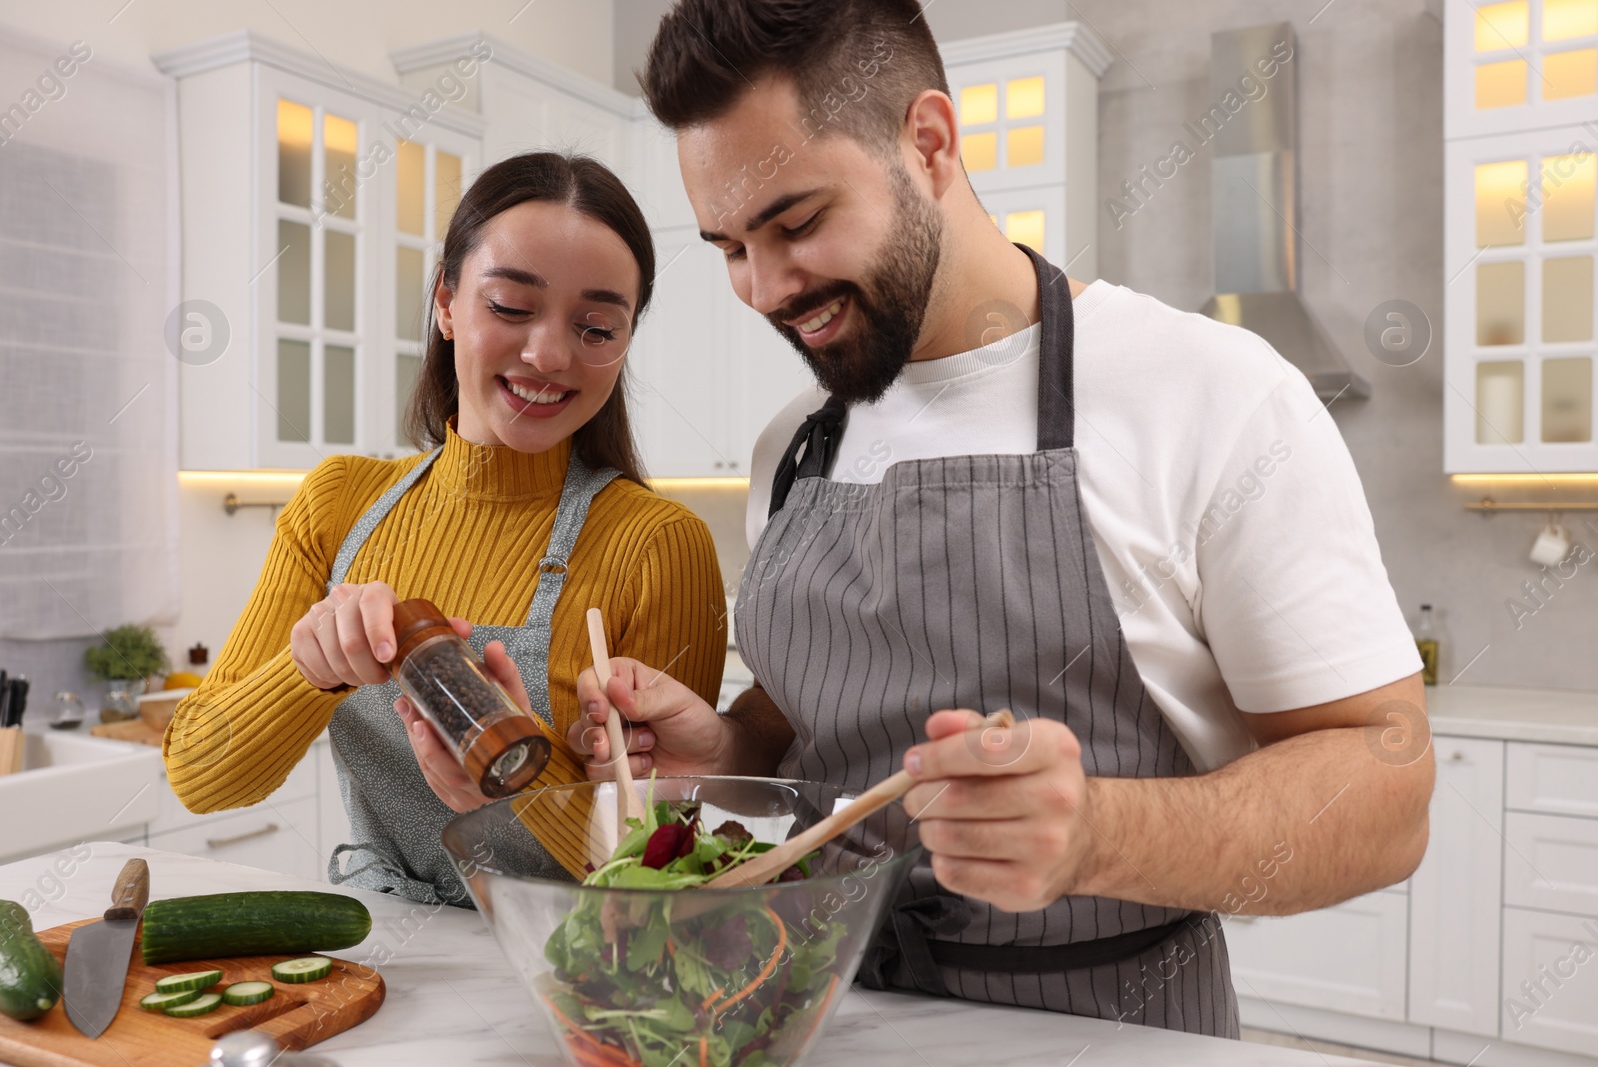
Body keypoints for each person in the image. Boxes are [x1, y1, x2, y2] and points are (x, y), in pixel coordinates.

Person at [564, 0, 1433, 1036]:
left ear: (927, 143)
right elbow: (827, 712)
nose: (763, 288)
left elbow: (1385, 790)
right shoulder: (795, 441)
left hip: (1109, 1029)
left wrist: (1102, 831)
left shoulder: (1210, 392)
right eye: (728, 247)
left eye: (794, 223)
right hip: (810, 1014)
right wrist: (728, 751)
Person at [164, 152, 728, 907]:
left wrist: (515, 771)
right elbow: (200, 774)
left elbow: (662, 867)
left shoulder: (659, 544)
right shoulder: (338, 503)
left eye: (596, 326)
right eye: (511, 306)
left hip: (574, 961)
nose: (550, 354)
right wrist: (311, 671)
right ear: (447, 302)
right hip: (377, 946)